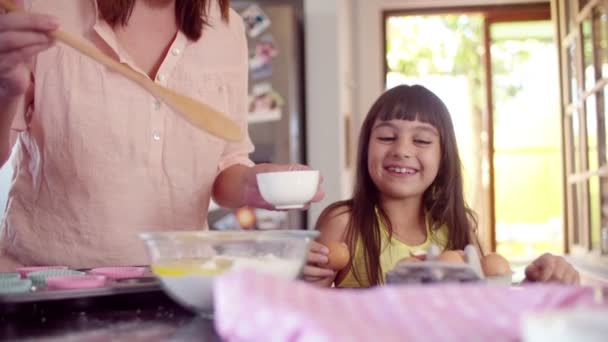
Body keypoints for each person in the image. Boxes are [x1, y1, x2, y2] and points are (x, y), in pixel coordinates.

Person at [0, 0, 323, 270]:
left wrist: (254, 185)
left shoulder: (226, 27)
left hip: (180, 280)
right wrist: (5, 92)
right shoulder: (39, 10)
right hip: (48, 283)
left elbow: (226, 163)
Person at [303, 84, 579, 288]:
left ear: (443, 156)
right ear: (365, 148)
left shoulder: (457, 225)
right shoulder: (343, 223)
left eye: (421, 141)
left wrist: (539, 279)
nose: (402, 150)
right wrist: (306, 278)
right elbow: (312, 310)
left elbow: (487, 299)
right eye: (387, 137)